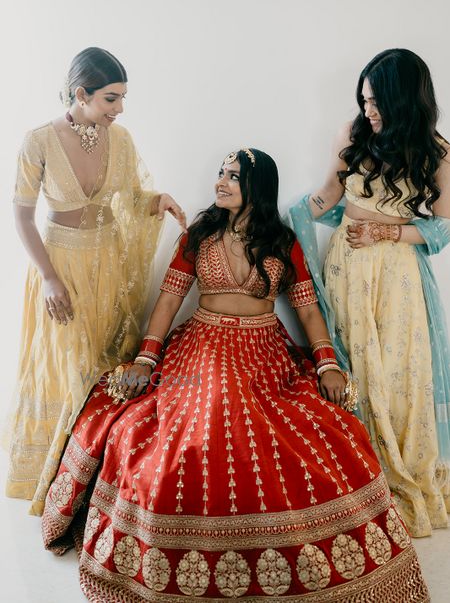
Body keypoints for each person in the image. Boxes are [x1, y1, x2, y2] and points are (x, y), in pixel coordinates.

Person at [42, 148, 429, 601]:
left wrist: (326, 362)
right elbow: (169, 301)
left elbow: (306, 309)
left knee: (322, 429)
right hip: (202, 343)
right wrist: (147, 358)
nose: (220, 182)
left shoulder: (282, 241)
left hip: (263, 347)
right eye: (220, 173)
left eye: (232, 176)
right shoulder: (199, 235)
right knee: (203, 410)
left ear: (256, 186)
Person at [6, 47, 186, 516]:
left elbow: (128, 198)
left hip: (109, 266)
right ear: (81, 94)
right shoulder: (38, 141)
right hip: (60, 265)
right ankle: (51, 480)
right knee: (65, 366)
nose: (119, 109)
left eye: (123, 98)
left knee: (103, 363)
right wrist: (48, 278)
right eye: (111, 99)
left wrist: (158, 200)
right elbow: (21, 217)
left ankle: (91, 486)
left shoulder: (120, 139)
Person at [289, 48, 450, 538]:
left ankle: (403, 474)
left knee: (401, 373)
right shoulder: (354, 135)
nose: (369, 111)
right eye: (364, 100)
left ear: (404, 101)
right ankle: (362, 478)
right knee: (354, 367)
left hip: (399, 278)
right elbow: (327, 197)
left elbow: (442, 230)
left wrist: (388, 232)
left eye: (377, 102)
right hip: (349, 269)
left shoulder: (437, 151)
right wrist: (280, 218)